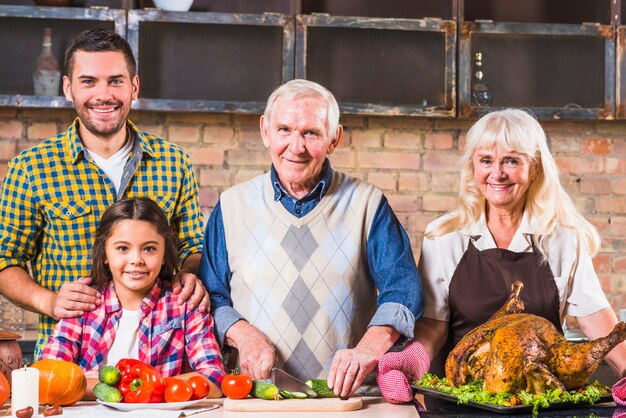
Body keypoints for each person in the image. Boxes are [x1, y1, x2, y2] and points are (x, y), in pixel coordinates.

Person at [377, 108, 626, 403]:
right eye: (486, 161)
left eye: (511, 160)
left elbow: (594, 316)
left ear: (534, 168)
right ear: (473, 167)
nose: (498, 173)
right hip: (461, 401)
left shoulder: (562, 237)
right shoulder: (444, 236)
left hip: (540, 397)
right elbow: (433, 324)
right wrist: (412, 362)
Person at [199, 79, 424, 397]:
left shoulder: (367, 203)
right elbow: (212, 297)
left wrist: (366, 352)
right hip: (254, 396)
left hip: (348, 399)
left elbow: (404, 293)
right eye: (285, 130)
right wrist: (243, 335)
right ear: (265, 131)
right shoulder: (231, 206)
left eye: (311, 133)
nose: (296, 146)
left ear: (335, 138)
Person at [0, 28, 208, 358]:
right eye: (88, 81)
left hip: (163, 359)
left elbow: (192, 247)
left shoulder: (174, 162)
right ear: (68, 88)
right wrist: (49, 301)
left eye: (115, 80)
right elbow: (4, 259)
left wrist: (189, 274)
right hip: (67, 358)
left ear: (134, 86)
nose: (103, 94)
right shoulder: (31, 168)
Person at [42, 198, 226, 396]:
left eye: (149, 248)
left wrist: (144, 389)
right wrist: (132, 390)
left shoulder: (184, 304)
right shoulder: (83, 304)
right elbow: (48, 375)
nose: (136, 260)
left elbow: (213, 378)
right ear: (104, 253)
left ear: (164, 254)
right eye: (122, 248)